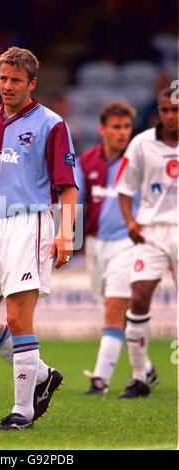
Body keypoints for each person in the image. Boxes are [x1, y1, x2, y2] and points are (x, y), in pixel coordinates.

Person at [0, 47, 79, 430]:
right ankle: (41, 374)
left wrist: (66, 233)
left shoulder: (51, 124)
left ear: (32, 84)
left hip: (30, 224)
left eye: (15, 81)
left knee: (18, 318)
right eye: (3, 79)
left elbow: (67, 185)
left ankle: (22, 412)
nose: (7, 86)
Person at [77, 101, 157, 394]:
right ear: (102, 129)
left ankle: (100, 380)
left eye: (126, 127)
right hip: (96, 244)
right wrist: (71, 242)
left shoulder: (140, 161)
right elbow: (77, 201)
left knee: (113, 309)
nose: (123, 133)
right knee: (113, 308)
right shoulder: (87, 160)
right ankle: (145, 368)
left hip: (129, 242)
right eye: (116, 127)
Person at [115, 86, 178, 398]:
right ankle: (140, 376)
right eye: (164, 110)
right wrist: (129, 220)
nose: (169, 116)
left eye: (175, 110)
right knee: (138, 297)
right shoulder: (141, 144)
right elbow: (125, 189)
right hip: (151, 231)